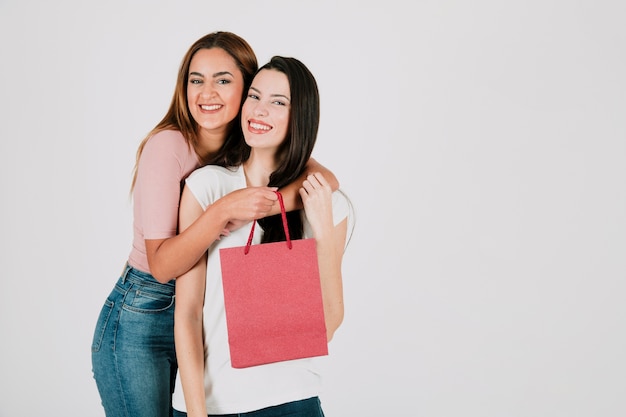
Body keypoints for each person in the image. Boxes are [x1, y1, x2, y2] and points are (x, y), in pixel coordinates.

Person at [91, 33, 339, 417]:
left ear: (246, 88)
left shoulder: (244, 143)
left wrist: (271, 206)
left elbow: (323, 178)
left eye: (223, 80)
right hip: (143, 310)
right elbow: (161, 267)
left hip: (204, 315)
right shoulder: (169, 149)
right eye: (196, 80)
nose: (207, 93)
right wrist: (222, 212)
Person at [172, 56, 353, 417]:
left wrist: (320, 230)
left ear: (300, 116)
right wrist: (195, 412)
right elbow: (188, 313)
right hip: (208, 405)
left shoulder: (327, 203)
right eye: (254, 96)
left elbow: (328, 323)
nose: (259, 109)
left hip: (291, 403)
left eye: (278, 102)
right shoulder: (208, 186)